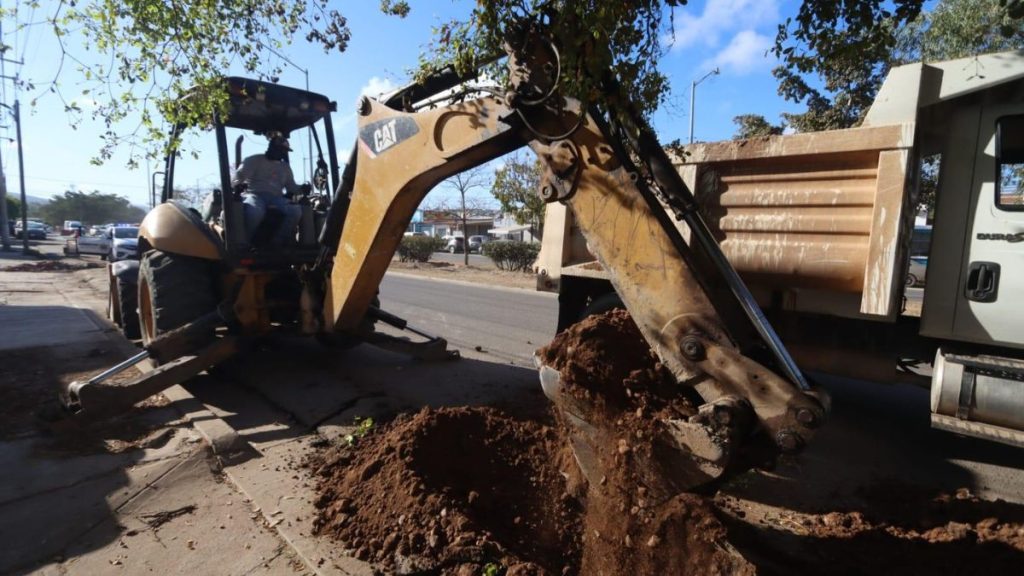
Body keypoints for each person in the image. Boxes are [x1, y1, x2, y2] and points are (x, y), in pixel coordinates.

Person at [232, 133, 303, 246]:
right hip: (253, 194)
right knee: (255, 211)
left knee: (295, 211)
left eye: (284, 150)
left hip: (276, 197)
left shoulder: (285, 167)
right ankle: (249, 242)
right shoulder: (253, 160)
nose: (282, 152)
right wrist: (238, 185)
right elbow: (237, 178)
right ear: (271, 147)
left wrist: (302, 189)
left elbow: (291, 186)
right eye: (280, 149)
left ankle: (277, 243)